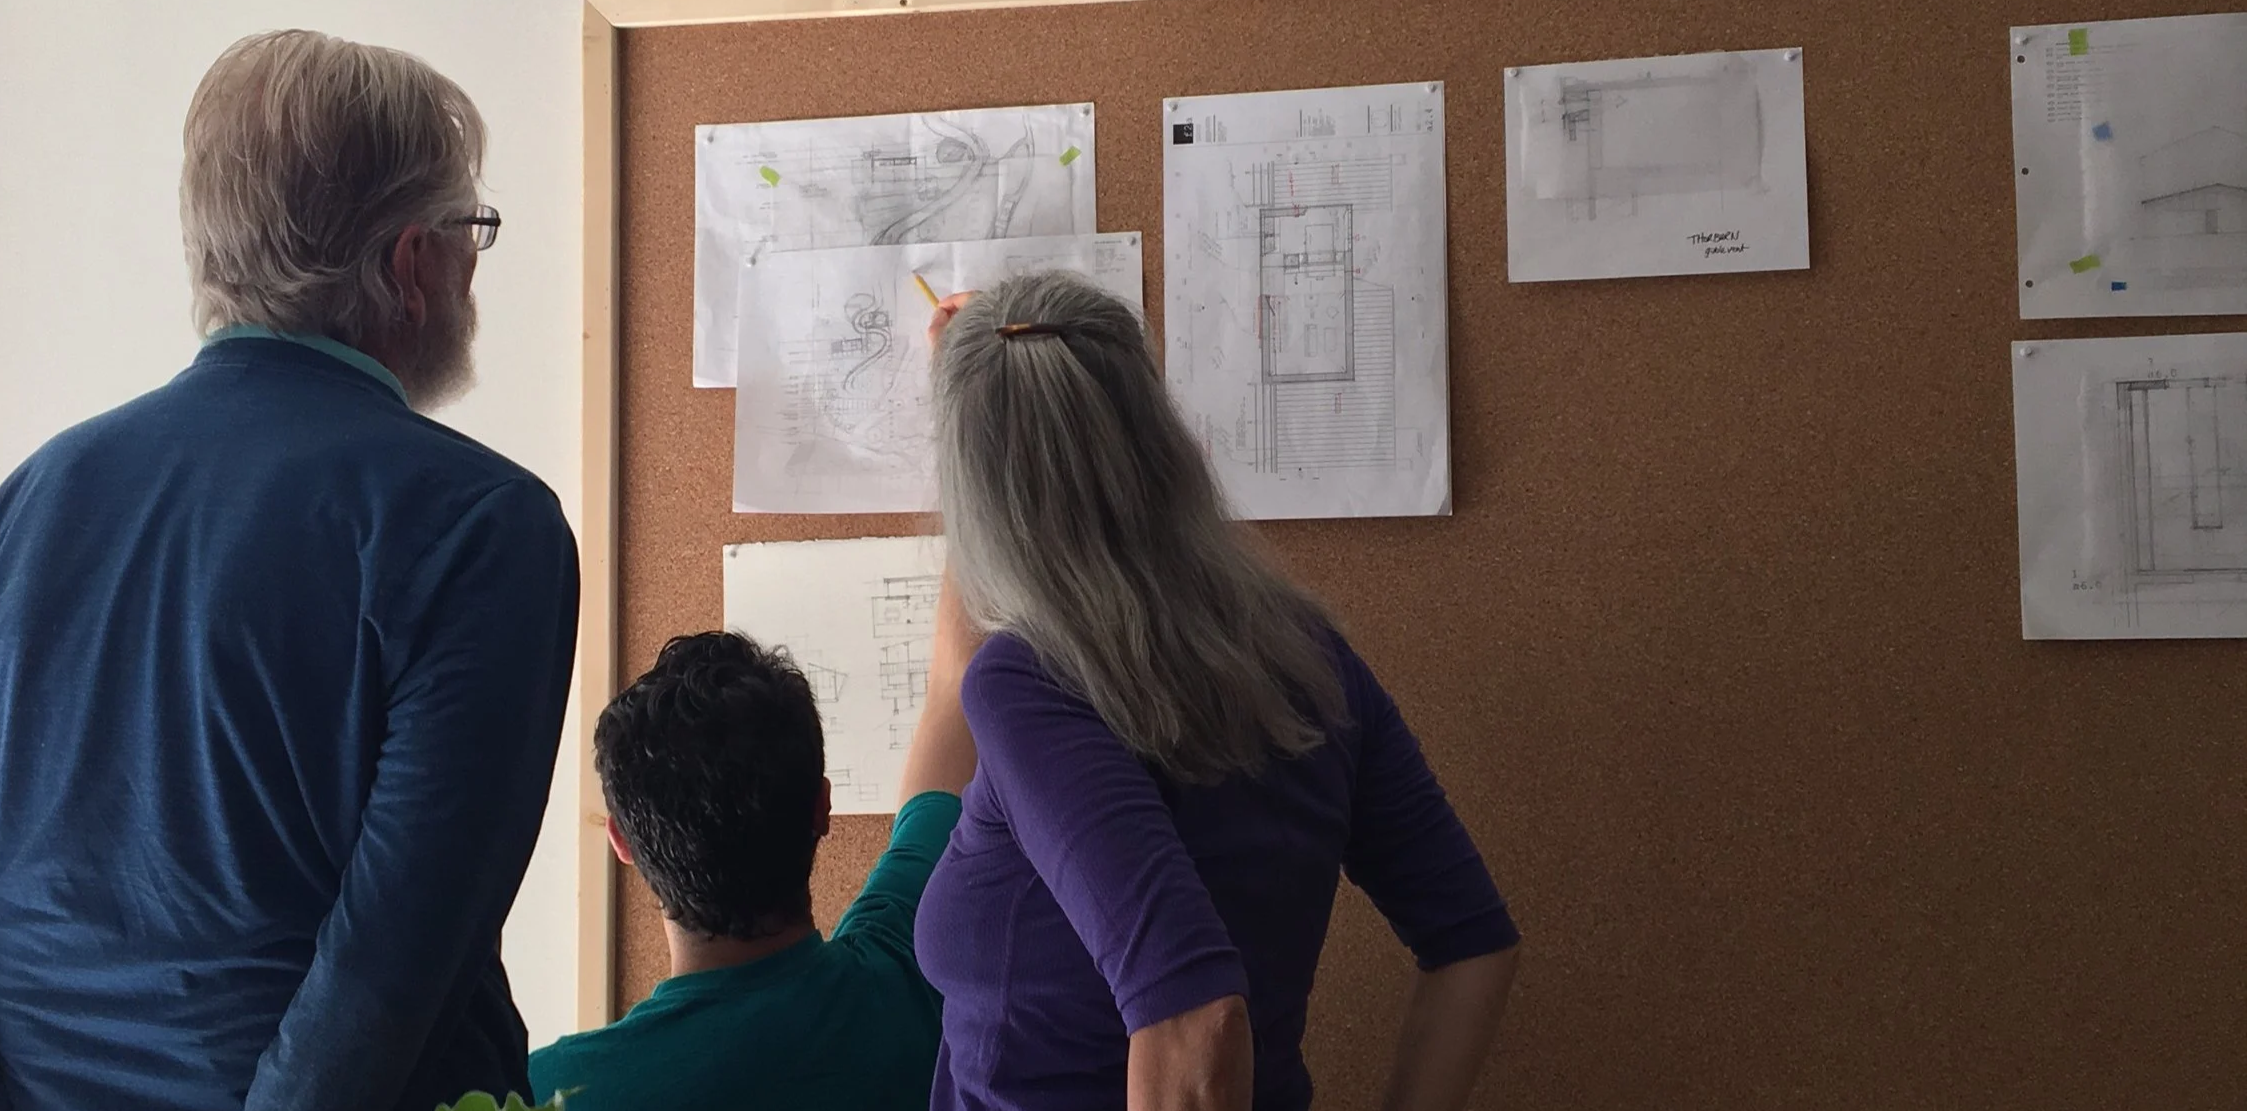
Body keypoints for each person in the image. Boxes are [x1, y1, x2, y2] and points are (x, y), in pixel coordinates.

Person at [0, 30, 576, 1111]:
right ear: (412, 266)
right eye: (471, 230)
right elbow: (389, 969)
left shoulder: (22, 509)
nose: (475, 265)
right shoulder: (480, 526)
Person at [913, 273, 1522, 1111]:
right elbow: (1473, 943)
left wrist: (979, 411)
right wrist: (976, 383)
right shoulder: (1310, 659)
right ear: (1163, 440)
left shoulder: (1033, 683)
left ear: (972, 492)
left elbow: (1197, 1017)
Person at [528, 576, 983, 1110]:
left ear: (622, 843)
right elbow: (956, 692)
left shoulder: (546, 1093)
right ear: (821, 806)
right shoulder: (907, 975)